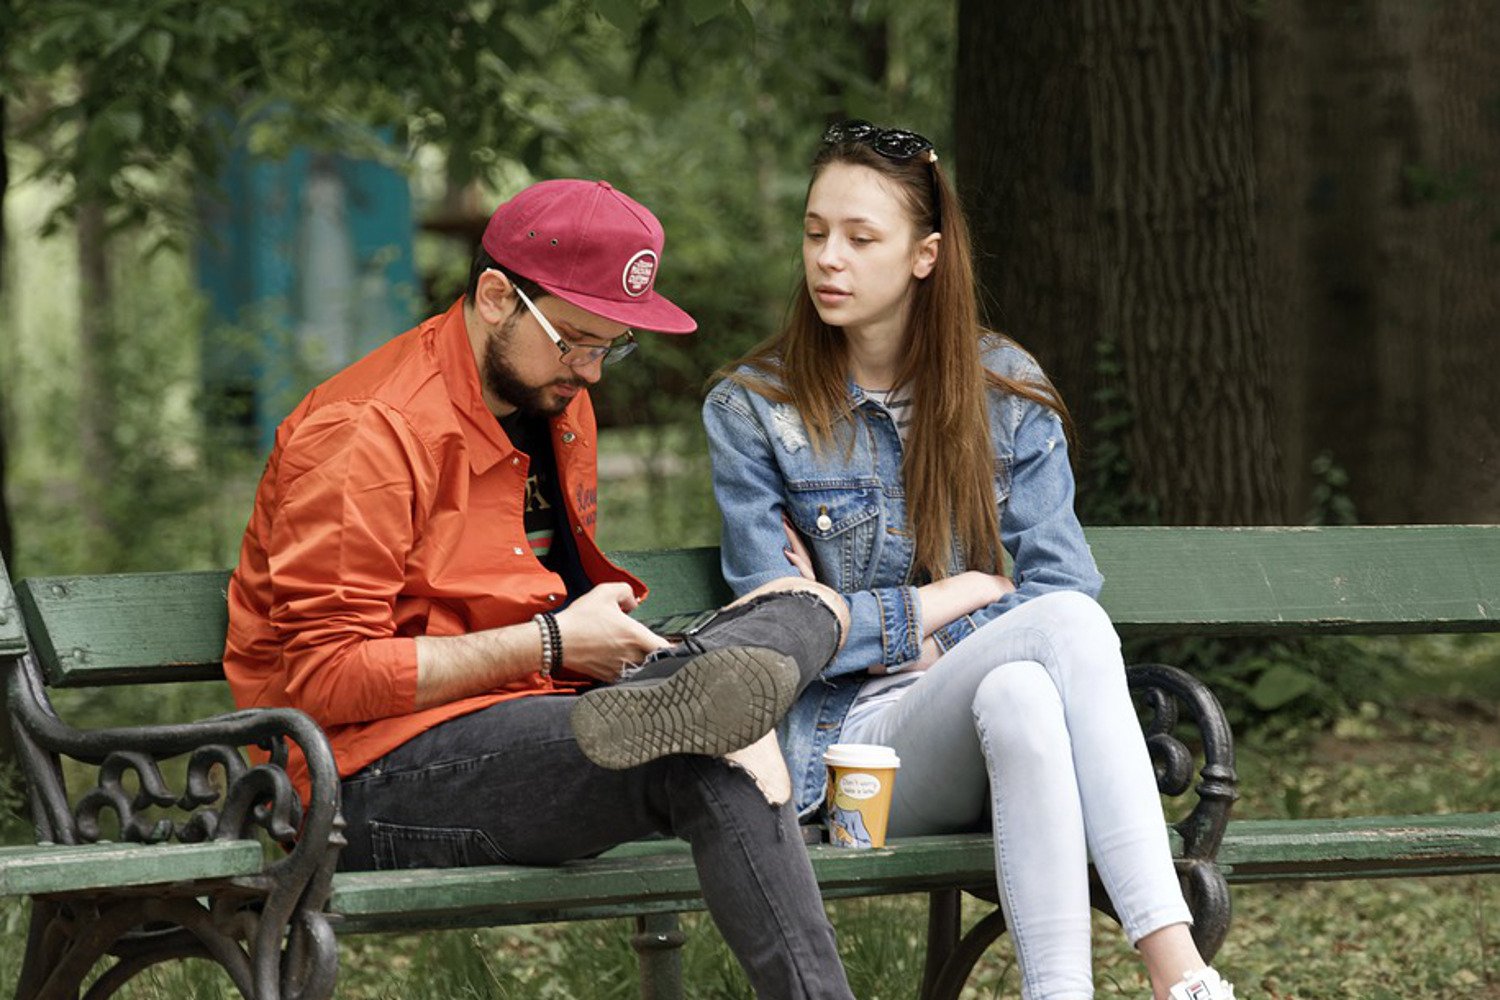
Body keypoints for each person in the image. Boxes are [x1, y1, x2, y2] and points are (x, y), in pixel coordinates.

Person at [224, 178, 857, 999]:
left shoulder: (553, 401)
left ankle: (726, 679)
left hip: (542, 714)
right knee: (704, 754)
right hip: (361, 781)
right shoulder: (367, 434)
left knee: (810, 608)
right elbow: (322, 679)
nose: (591, 372)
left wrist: (594, 644)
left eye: (612, 345)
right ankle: (714, 702)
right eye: (576, 342)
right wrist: (553, 641)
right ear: (496, 296)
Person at [702, 122, 1238, 1000]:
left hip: (977, 723)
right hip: (847, 759)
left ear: (926, 255)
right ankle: (1181, 974)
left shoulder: (1005, 392)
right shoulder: (756, 408)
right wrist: (956, 596)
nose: (828, 258)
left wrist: (903, 633)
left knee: (1023, 687)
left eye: (860, 238)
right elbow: (778, 639)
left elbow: (1061, 586)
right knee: (1053, 635)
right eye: (814, 232)